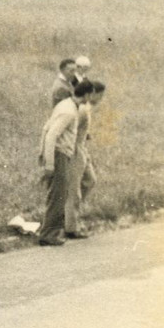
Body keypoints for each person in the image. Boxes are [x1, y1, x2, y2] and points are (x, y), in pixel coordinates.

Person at [37, 80, 97, 247]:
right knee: (58, 195)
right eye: (90, 94)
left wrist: (42, 154)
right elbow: (51, 135)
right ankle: (49, 234)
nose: (90, 98)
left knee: (59, 194)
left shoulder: (67, 105)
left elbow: (45, 128)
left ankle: (52, 232)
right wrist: (49, 163)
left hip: (61, 154)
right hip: (59, 154)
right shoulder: (69, 112)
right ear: (86, 94)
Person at [64, 80, 105, 239]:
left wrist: (85, 135)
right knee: (74, 190)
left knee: (90, 180)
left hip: (82, 149)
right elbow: (71, 129)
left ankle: (70, 217)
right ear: (92, 94)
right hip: (75, 150)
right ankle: (70, 227)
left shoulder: (86, 109)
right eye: (99, 95)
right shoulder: (81, 110)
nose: (100, 98)